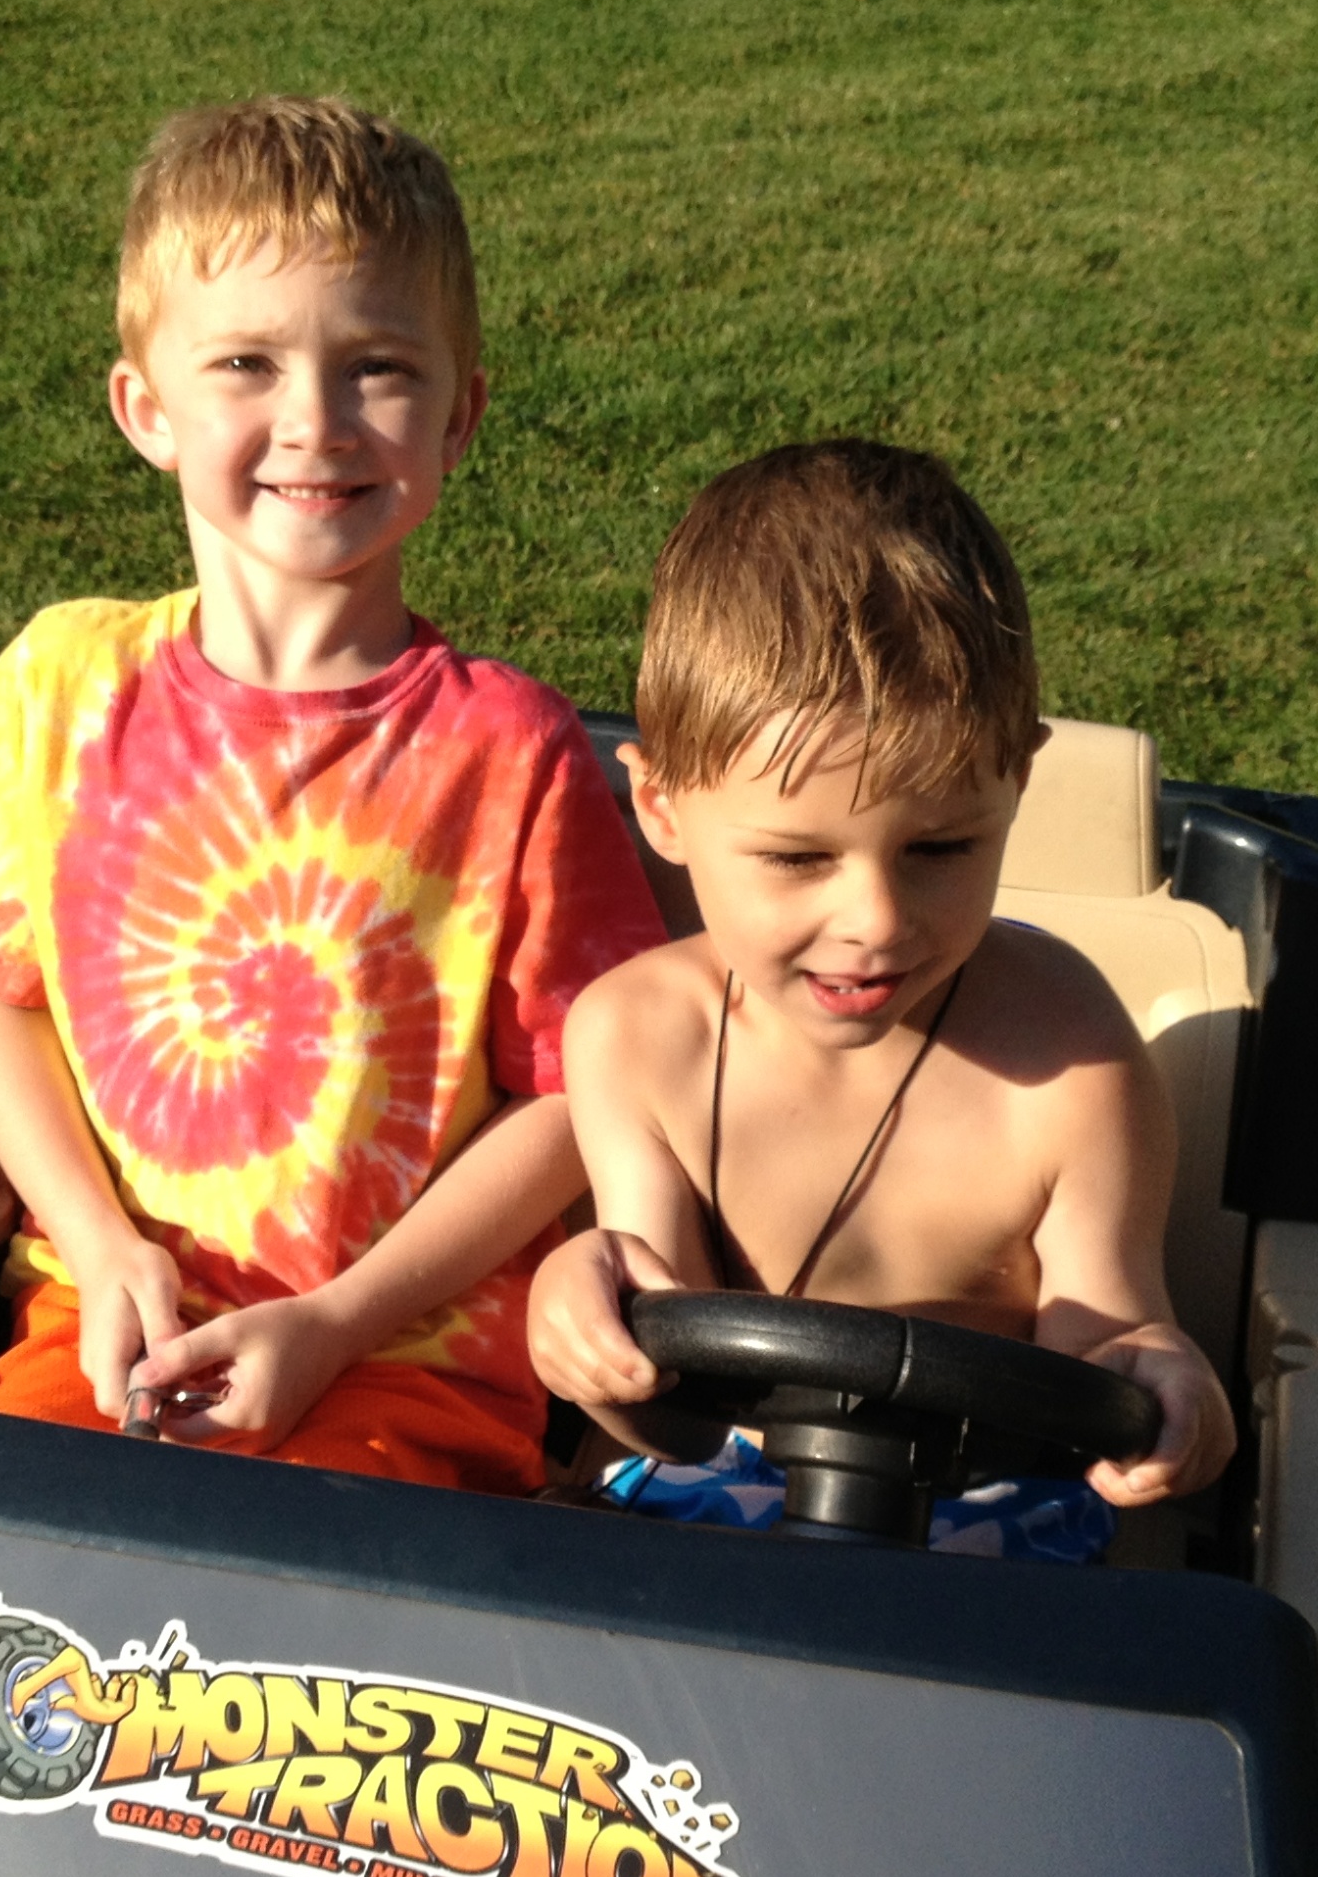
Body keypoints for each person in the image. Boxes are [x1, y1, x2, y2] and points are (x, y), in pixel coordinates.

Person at [0, 96, 662, 1495]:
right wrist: (100, 1248)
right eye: (246, 362)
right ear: (146, 410)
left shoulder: (513, 753)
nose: (314, 422)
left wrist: (339, 1320)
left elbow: (573, 1099)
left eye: (378, 368)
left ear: (459, 416)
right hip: (101, 1332)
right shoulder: (62, 684)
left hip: (406, 1367)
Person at [525, 440, 1235, 1534]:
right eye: (796, 858)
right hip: (712, 1499)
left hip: (985, 1523)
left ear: (1018, 783)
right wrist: (584, 1331)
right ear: (661, 811)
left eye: (940, 849)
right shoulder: (638, 1037)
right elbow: (673, 1418)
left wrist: (1172, 1391)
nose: (877, 921)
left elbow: (1110, 1338)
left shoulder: (1068, 1054)